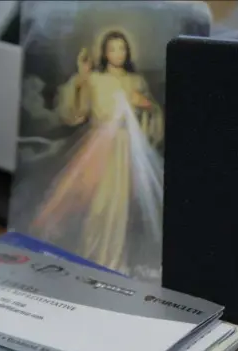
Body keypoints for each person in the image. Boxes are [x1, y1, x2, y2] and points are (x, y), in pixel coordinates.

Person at [27, 30, 164, 277]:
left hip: (127, 151)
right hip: (99, 148)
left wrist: (146, 107)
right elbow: (73, 113)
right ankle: (89, 257)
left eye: (122, 48)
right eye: (112, 49)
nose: (118, 54)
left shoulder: (136, 81)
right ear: (104, 53)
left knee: (121, 209)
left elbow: (152, 116)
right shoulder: (95, 79)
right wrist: (81, 77)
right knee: (96, 206)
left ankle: (112, 261)